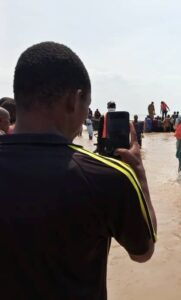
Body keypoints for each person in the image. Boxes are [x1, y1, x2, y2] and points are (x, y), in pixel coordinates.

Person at [0, 41, 156, 299]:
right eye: (87, 104)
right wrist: (139, 175)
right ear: (75, 100)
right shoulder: (108, 177)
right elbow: (143, 251)